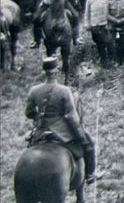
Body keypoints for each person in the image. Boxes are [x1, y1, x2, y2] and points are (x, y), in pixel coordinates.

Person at [25, 56, 96, 184]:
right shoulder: (64, 91)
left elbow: (29, 113)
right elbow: (71, 116)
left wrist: (38, 118)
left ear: (44, 72)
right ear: (57, 71)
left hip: (41, 131)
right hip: (61, 132)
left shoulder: (34, 90)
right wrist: (81, 134)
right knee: (89, 145)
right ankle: (90, 175)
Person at [83, 0, 112, 67]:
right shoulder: (89, 0)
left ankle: (110, 59)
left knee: (108, 42)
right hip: (95, 25)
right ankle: (103, 59)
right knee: (99, 43)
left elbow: (112, 11)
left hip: (105, 24)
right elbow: (87, 13)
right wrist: (87, 23)